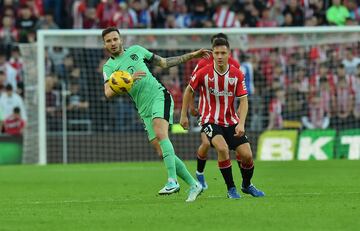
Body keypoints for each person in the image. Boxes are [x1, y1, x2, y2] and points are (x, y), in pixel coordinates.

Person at [101, 27, 209, 202]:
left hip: (159, 96)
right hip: (143, 109)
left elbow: (164, 63)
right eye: (109, 41)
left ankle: (172, 181)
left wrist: (192, 55)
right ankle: (194, 184)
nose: (113, 43)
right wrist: (127, 80)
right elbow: (107, 92)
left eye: (115, 39)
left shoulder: (137, 50)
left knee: (161, 133)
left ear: (121, 40)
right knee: (161, 151)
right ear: (104, 44)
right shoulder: (109, 66)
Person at [180, 38, 265, 198]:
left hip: (231, 121)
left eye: (223, 53)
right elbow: (189, 90)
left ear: (229, 54)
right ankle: (231, 188)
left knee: (247, 155)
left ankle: (247, 185)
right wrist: (184, 114)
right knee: (222, 148)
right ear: (213, 54)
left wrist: (241, 124)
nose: (219, 56)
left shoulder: (237, 74)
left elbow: (244, 100)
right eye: (216, 53)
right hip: (209, 120)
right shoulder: (203, 73)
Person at [189, 33, 242, 190]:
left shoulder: (234, 64)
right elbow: (191, 85)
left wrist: (239, 105)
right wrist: (191, 106)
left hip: (228, 116)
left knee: (236, 148)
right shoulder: (203, 62)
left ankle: (244, 181)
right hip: (209, 114)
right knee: (206, 143)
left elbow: (238, 85)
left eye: (221, 51)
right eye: (215, 50)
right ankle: (199, 172)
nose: (217, 54)